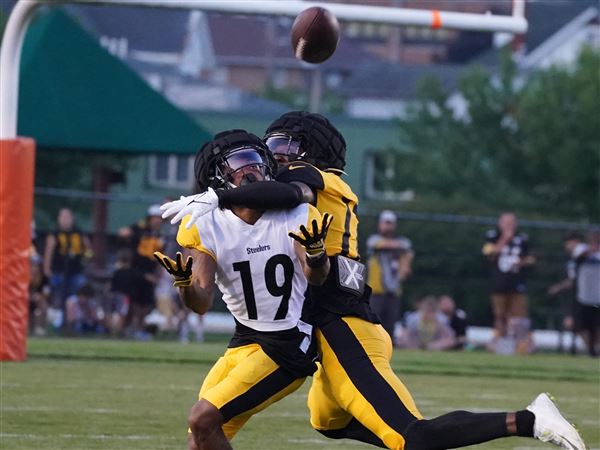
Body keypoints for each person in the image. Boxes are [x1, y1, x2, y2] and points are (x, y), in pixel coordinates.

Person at [162, 112, 586, 450]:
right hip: (329, 322)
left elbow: (284, 195)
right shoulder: (295, 192)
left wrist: (219, 194)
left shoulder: (312, 181)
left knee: (412, 437)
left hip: (340, 325)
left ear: (312, 151)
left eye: (280, 146)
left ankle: (530, 420)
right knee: (328, 420)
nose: (271, 157)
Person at [154, 129, 332, 450]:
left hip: (288, 343)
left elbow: (315, 276)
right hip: (244, 339)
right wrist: (183, 285)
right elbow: (201, 302)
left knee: (202, 418)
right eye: (237, 163)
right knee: (201, 438)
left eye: (254, 161)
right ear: (220, 177)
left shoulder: (296, 213)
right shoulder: (207, 223)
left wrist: (317, 255)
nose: (249, 169)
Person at [482, 212, 535, 352]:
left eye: (511, 222)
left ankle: (522, 346)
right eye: (505, 222)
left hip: (517, 283)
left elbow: (531, 258)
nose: (508, 225)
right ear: (500, 223)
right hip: (498, 283)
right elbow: (489, 254)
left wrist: (522, 262)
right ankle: (502, 346)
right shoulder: (492, 236)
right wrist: (505, 239)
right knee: (500, 315)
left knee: (519, 316)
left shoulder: (523, 238)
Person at [118, 205, 165, 338]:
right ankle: (127, 328)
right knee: (133, 303)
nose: (157, 221)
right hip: (136, 272)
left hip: (150, 273)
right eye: (154, 218)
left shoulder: (160, 235)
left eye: (159, 219)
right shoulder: (140, 230)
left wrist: (159, 272)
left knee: (145, 304)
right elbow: (124, 234)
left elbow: (160, 256)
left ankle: (138, 329)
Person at [366, 210, 413, 342]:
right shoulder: (374, 240)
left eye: (390, 223)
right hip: (376, 292)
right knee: (374, 325)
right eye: (386, 223)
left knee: (390, 326)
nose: (388, 226)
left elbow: (407, 248)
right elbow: (378, 245)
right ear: (380, 224)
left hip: (393, 292)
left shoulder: (402, 242)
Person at [43, 208, 91, 322]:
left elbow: (89, 250)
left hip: (76, 271)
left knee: (79, 293)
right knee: (57, 294)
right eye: (63, 217)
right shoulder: (54, 234)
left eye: (67, 217)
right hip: (59, 270)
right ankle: (57, 320)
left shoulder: (79, 233)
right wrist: (46, 268)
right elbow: (48, 252)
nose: (65, 220)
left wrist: (85, 260)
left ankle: (77, 319)